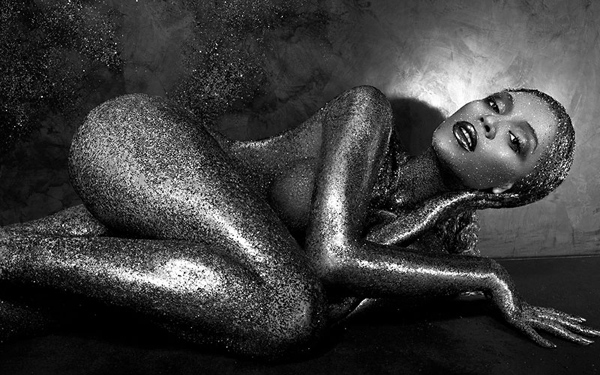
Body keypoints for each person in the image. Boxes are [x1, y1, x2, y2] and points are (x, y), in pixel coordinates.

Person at [1, 85, 598, 359]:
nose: (491, 120)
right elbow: (331, 260)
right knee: (289, 310)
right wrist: (488, 274)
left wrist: (431, 215)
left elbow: (336, 307)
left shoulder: (422, 242)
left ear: (504, 191)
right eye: (496, 104)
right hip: (145, 151)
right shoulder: (368, 115)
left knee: (19, 310)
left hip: (155, 235)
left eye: (514, 139)